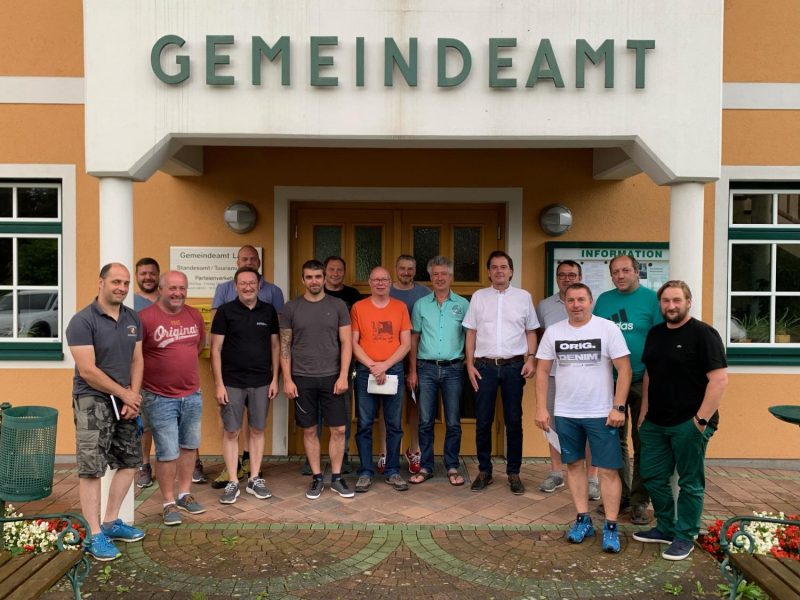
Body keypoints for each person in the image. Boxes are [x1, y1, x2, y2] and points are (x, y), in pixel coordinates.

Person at [634, 281, 728, 561]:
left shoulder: (704, 334)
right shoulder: (655, 333)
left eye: (677, 300)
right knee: (652, 475)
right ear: (660, 304)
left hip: (690, 422)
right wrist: (643, 412)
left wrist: (701, 420)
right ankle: (665, 527)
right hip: (655, 421)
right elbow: (649, 374)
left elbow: (719, 379)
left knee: (690, 482)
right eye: (666, 301)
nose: (671, 306)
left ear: (688, 302)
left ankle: (685, 535)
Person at [535, 283, 632, 553]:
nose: (576, 305)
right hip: (566, 412)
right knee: (574, 466)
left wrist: (618, 407)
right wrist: (541, 408)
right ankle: (583, 519)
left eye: (581, 300)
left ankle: (610, 525)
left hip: (601, 413)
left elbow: (624, 369)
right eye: (571, 300)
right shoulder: (554, 332)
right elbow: (542, 371)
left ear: (590, 302)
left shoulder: (607, 328)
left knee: (608, 470)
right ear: (565, 303)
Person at [66, 263, 146, 561]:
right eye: (116, 282)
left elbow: (137, 359)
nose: (122, 288)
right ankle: (94, 533)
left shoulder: (132, 318)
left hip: (125, 399)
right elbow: (87, 370)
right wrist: (125, 393)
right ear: (101, 282)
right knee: (92, 467)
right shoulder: (82, 321)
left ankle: (111, 522)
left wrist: (133, 396)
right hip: (92, 399)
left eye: (126, 283)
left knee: (130, 461)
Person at [593, 254, 663, 525]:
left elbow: (660, 340)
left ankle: (639, 501)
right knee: (614, 441)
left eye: (625, 270)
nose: (620, 276)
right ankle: (619, 496)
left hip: (642, 380)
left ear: (637, 272)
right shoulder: (604, 301)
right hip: (609, 381)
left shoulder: (652, 300)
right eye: (615, 272)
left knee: (642, 441)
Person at [463, 250, 539, 495]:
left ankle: (514, 472)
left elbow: (531, 331)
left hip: (514, 366)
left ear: (511, 271)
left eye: (503, 267)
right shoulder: (479, 297)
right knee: (483, 420)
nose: (499, 271)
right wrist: (469, 364)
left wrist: (531, 358)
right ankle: (484, 470)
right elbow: (471, 332)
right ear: (488, 272)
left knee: (514, 420)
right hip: (484, 366)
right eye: (494, 267)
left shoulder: (523, 297)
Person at [210, 245, 284, 488]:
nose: (248, 287)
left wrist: (274, 379)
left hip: (261, 381)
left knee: (257, 430)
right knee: (231, 431)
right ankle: (233, 479)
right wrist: (219, 384)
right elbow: (215, 349)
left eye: (252, 283)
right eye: (243, 283)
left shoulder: (269, 311)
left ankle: (254, 478)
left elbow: (276, 345)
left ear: (259, 285)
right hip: (231, 381)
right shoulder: (225, 311)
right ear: (236, 286)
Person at [280, 260, 354, 499]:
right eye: (309, 277)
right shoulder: (291, 308)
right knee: (310, 429)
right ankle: (317, 477)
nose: (314, 281)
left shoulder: (338, 305)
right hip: (302, 378)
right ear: (303, 280)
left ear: (324, 278)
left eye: (318, 277)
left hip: (333, 377)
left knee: (339, 429)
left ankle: (337, 477)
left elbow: (346, 342)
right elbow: (285, 346)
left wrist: (343, 375)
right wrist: (287, 379)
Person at [139, 271, 207, 525]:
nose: (178, 293)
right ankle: (168, 503)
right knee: (167, 451)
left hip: (192, 393)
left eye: (182, 288)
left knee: (189, 446)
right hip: (159, 396)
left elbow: (198, 345)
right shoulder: (145, 318)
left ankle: (184, 494)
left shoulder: (194, 315)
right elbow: (135, 356)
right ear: (161, 289)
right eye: (173, 288)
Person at [536, 260, 600, 500]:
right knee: (551, 424)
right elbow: (541, 337)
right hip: (554, 374)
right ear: (556, 278)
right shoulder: (544, 305)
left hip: (587, 375)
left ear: (580, 277)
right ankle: (556, 472)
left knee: (590, 425)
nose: (567, 278)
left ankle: (592, 477)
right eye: (562, 275)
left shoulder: (592, 303)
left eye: (572, 275)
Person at [296, 255, 361, 476]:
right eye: (331, 269)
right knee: (312, 418)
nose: (335, 273)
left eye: (339, 270)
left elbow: (350, 335)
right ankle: (312, 459)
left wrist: (345, 370)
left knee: (342, 417)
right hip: (309, 370)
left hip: (339, 367)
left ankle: (343, 456)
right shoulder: (301, 304)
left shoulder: (351, 297)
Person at [406, 256, 468, 486]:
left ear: (451, 276)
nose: (439, 278)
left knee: (453, 421)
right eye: (435, 274)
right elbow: (414, 339)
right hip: (426, 368)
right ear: (430, 277)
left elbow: (470, 337)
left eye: (444, 274)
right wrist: (412, 371)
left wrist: (469, 363)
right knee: (425, 421)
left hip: (453, 369)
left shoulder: (463, 304)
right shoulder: (421, 305)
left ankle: (452, 465)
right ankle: (426, 466)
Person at [351, 266, 412, 493]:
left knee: (394, 424)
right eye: (376, 279)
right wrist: (372, 366)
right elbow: (353, 342)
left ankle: (392, 471)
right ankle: (365, 472)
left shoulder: (400, 307)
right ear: (369, 282)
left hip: (393, 369)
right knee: (365, 424)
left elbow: (406, 344)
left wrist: (384, 366)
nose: (380, 283)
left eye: (384, 279)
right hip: (366, 370)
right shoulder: (359, 307)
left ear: (390, 283)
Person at [388, 254, 431, 475]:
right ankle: (386, 451)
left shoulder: (425, 293)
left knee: (415, 403)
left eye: (410, 269)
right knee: (387, 404)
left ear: (415, 270)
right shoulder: (387, 291)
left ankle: (414, 449)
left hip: (418, 355)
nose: (406, 272)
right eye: (402, 268)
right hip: (389, 356)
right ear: (396, 269)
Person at [134, 257, 160, 489]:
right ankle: (144, 465)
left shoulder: (169, 299)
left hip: (168, 372)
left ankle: (191, 464)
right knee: (146, 423)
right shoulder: (129, 303)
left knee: (179, 420)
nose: (148, 277)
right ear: (137, 276)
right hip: (140, 373)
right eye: (143, 273)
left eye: (152, 273)